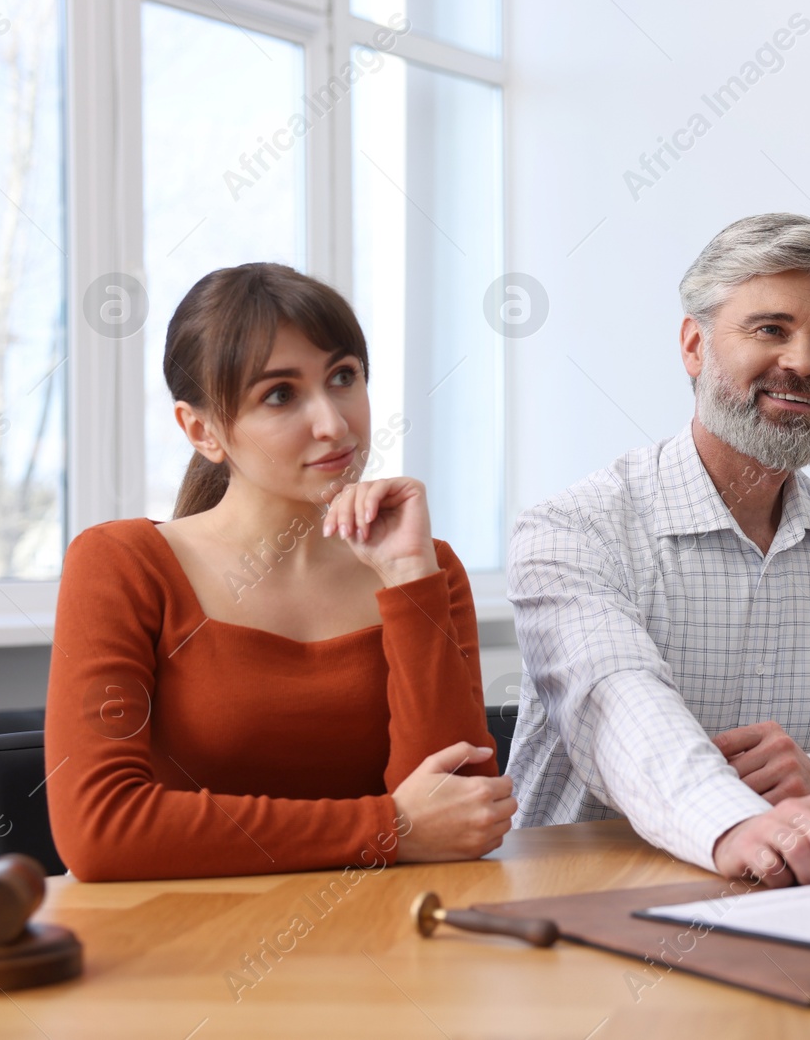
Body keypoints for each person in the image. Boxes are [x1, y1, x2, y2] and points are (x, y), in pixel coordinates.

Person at [506, 213, 810, 886]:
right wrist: (739, 822)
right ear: (694, 346)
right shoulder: (575, 528)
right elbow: (623, 713)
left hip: (792, 899)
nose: (802, 362)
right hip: (579, 908)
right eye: (771, 329)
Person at [44, 263, 511, 881]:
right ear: (202, 430)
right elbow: (101, 831)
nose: (335, 424)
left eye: (343, 377)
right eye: (280, 395)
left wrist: (407, 579)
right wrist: (390, 827)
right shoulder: (122, 565)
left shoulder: (428, 566)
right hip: (185, 952)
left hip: (394, 945)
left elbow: (462, 816)